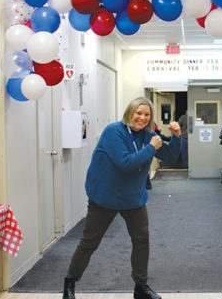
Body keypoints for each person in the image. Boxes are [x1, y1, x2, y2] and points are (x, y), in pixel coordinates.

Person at [62, 97, 182, 299]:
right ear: (130, 113)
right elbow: (126, 163)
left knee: (142, 241)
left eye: (146, 115)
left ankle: (141, 287)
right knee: (90, 242)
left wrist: (177, 136)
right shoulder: (113, 132)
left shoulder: (148, 134)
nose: (142, 118)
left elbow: (170, 157)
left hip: (132, 198)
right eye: (138, 113)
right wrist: (152, 147)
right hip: (105, 197)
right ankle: (69, 283)